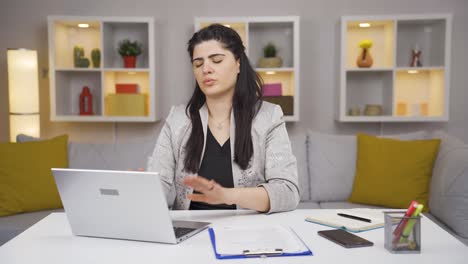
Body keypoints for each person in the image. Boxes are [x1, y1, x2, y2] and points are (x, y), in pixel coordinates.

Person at [147, 24, 299, 213]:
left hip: (248, 233)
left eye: (216, 60)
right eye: (198, 63)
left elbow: (288, 191)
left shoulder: (268, 117)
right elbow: (158, 180)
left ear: (238, 64)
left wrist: (227, 195)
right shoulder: (178, 119)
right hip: (190, 231)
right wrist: (144, 190)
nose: (206, 69)